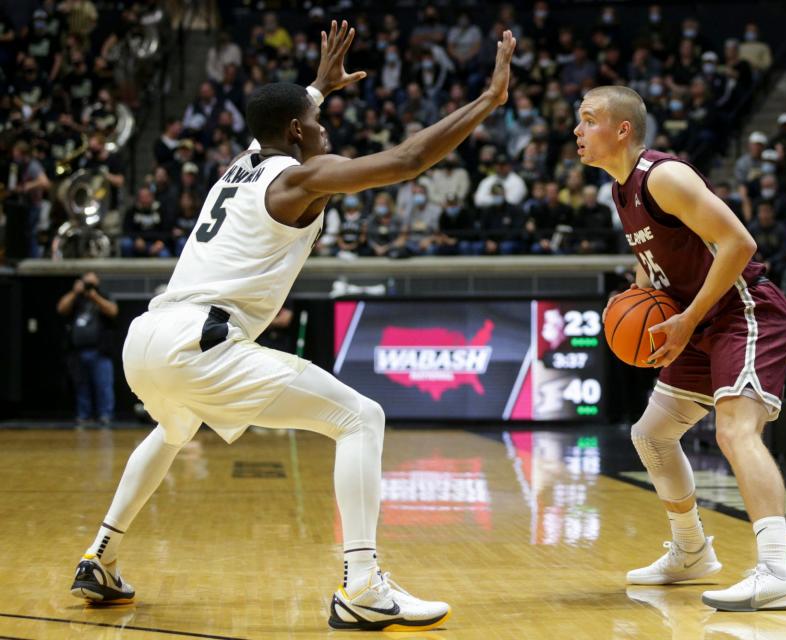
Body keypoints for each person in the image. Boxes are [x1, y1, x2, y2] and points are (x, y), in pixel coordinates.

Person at [70, 21, 516, 632]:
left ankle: (101, 555)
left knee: (174, 429)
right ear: (299, 133)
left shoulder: (241, 164)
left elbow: (277, 118)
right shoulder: (298, 178)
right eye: (320, 123)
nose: (327, 131)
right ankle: (362, 586)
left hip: (148, 336)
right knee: (361, 417)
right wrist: (487, 101)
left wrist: (319, 87)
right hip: (199, 341)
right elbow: (408, 160)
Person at [575, 85, 786, 611]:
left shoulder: (665, 177)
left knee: (734, 430)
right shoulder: (620, 190)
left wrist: (686, 320)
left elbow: (739, 244)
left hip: (743, 311)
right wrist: (637, 299)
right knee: (651, 436)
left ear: (622, 129)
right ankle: (691, 551)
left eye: (588, 120)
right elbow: (656, 261)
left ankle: (777, 570)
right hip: (695, 322)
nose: (577, 131)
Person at [57, 272, 118, 425]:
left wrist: (94, 296)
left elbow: (113, 311)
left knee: (103, 385)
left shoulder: (103, 296)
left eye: (92, 283)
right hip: (78, 352)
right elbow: (61, 309)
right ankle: (84, 415)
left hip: (100, 351)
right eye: (86, 283)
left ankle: (106, 415)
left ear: (98, 282)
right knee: (81, 385)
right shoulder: (76, 299)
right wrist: (74, 292)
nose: (88, 286)